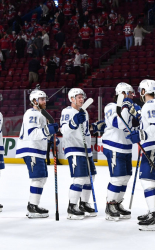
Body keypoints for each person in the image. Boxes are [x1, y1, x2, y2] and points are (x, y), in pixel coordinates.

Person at [124, 79, 155, 231]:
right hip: (154, 145)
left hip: (154, 146)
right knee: (148, 180)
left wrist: (141, 134)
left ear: (143, 91)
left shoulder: (150, 105)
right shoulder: (153, 105)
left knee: (147, 180)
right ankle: (153, 211)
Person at [60, 88, 103, 219]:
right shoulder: (67, 111)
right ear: (72, 98)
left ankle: (83, 203)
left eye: (82, 97)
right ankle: (72, 206)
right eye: (78, 97)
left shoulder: (84, 112)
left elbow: (84, 130)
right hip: (73, 147)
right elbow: (64, 130)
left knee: (91, 177)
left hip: (86, 149)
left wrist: (94, 127)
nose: (81, 99)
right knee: (79, 178)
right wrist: (73, 122)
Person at [15, 90, 59, 218]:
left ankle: (33, 205)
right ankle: (32, 207)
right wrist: (48, 130)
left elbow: (41, 133)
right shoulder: (32, 113)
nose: (44, 101)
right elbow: (32, 133)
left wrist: (50, 137)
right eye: (41, 99)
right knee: (38, 178)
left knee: (41, 178)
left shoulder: (40, 114)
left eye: (45, 99)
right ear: (34, 101)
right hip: (31, 148)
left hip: (37, 149)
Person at [102, 83, 136, 221]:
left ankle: (117, 203)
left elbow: (132, 125)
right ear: (122, 93)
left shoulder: (129, 108)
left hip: (126, 146)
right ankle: (110, 205)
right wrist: (126, 107)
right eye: (129, 93)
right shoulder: (111, 107)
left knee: (126, 177)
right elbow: (120, 123)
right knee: (117, 178)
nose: (132, 96)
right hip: (114, 145)